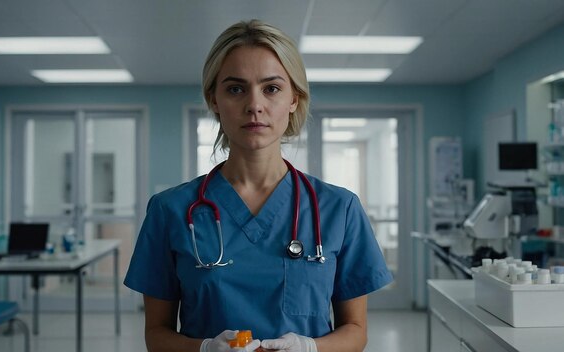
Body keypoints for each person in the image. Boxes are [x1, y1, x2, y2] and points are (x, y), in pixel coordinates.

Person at [124, 19, 393, 352]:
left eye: (272, 88)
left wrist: (310, 348)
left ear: (294, 97)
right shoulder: (170, 210)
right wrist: (205, 349)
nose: (254, 105)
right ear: (214, 101)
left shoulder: (339, 208)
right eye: (236, 88)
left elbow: (356, 329)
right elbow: (156, 333)